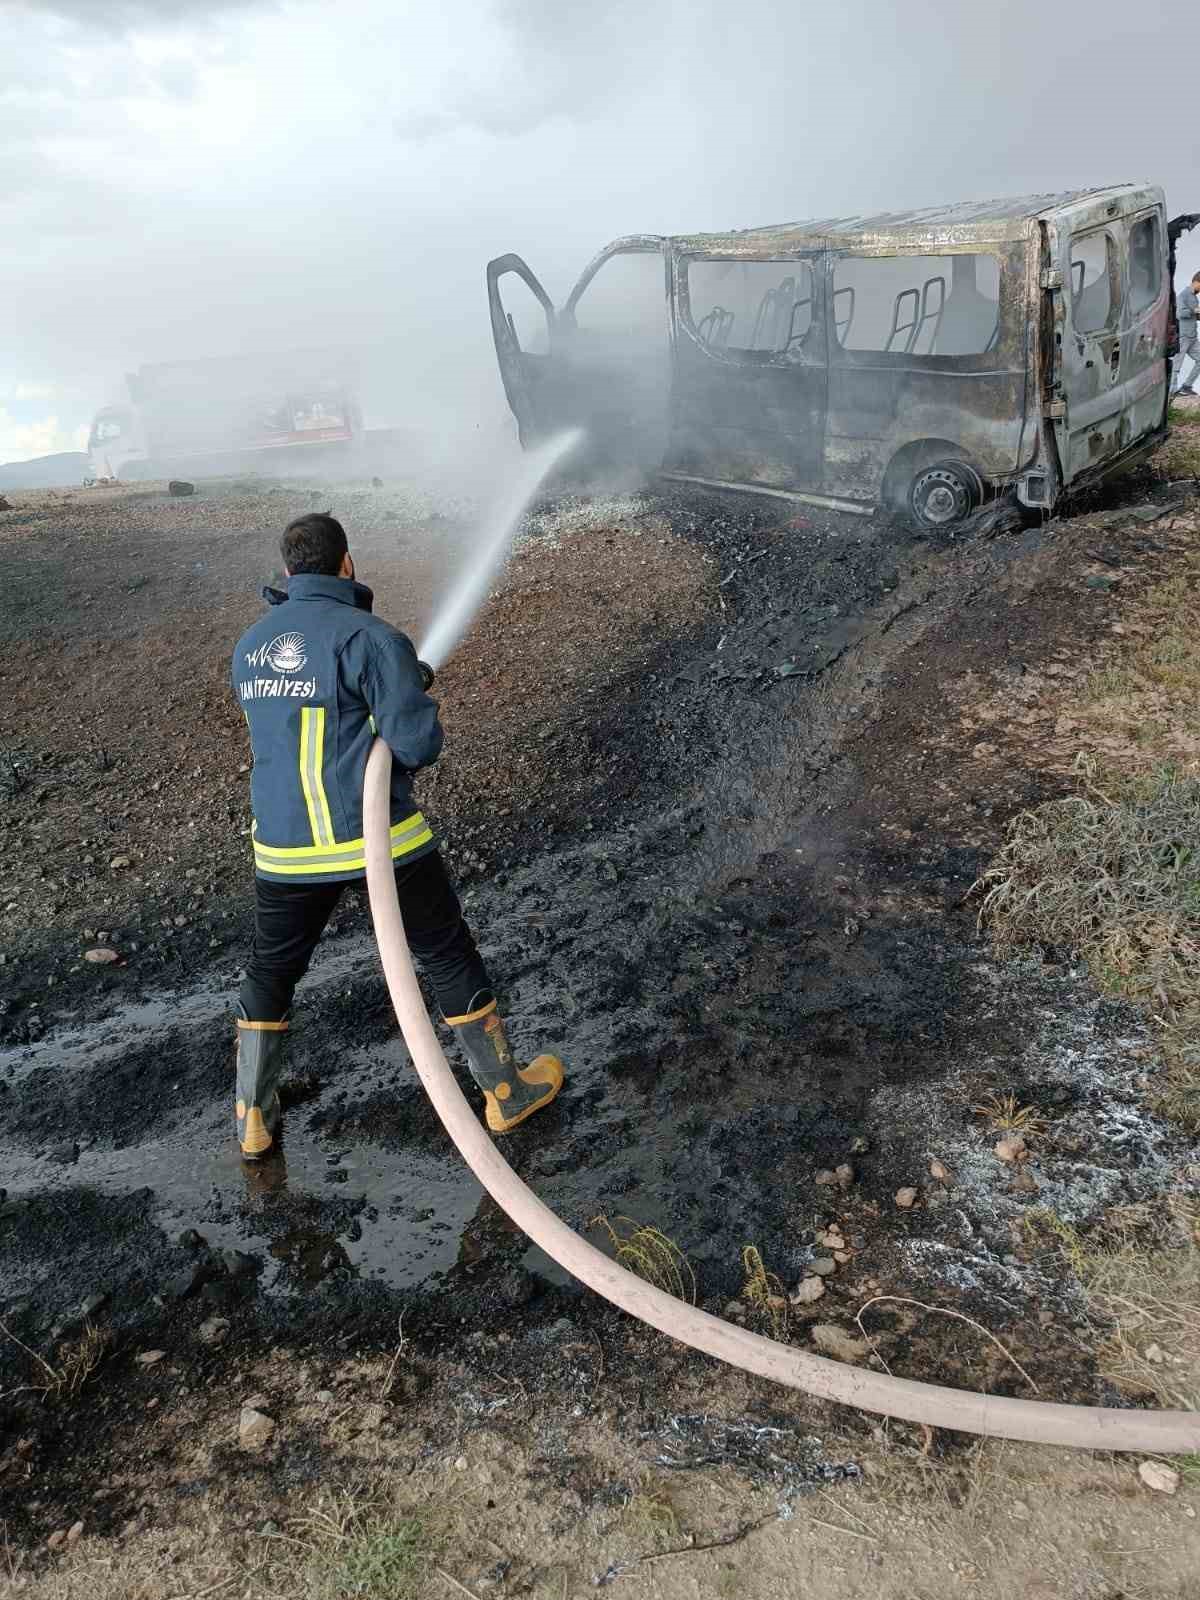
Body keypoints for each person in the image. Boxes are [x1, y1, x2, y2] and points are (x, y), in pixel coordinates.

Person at [229, 511, 563, 1160]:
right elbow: (416, 741)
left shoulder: (251, 645)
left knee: (271, 972)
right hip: (377, 838)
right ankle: (505, 1093)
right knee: (444, 952)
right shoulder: (370, 637)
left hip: (285, 849)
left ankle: (252, 1117)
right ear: (347, 565)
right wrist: (406, 690)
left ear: (288, 571)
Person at [1172, 270, 1200, 396]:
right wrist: (1195, 310)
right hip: (1183, 336)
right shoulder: (1183, 295)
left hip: (1193, 337)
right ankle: (1172, 390)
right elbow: (1180, 314)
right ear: (1196, 282)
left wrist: (1198, 314)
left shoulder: (1194, 297)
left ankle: (1187, 386)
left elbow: (1194, 315)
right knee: (1177, 363)